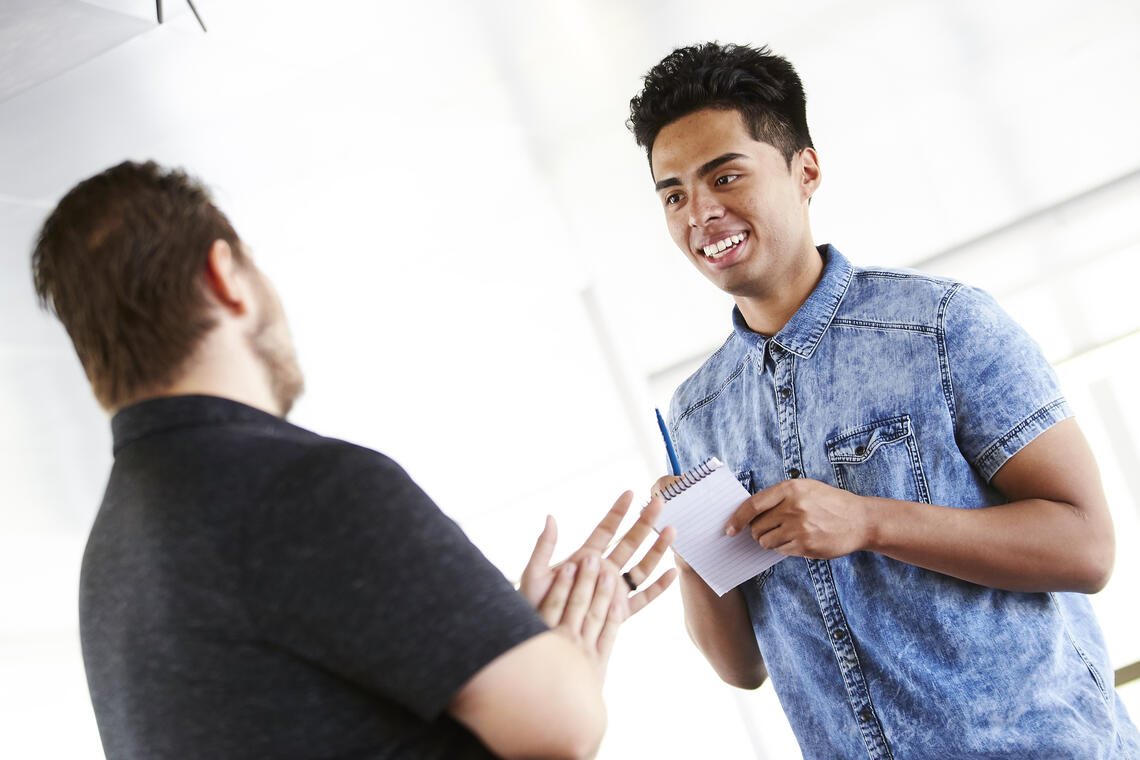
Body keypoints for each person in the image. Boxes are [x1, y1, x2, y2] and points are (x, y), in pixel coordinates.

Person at [31, 160, 677, 760]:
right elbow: (561, 724)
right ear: (224, 277)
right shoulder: (307, 488)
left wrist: (489, 636)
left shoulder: (108, 569)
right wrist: (562, 660)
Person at [628, 42, 1140, 758]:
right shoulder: (695, 414)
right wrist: (688, 550)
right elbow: (741, 668)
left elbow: (1087, 547)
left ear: (805, 170)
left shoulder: (942, 325)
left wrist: (868, 521)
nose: (701, 213)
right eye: (674, 194)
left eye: (726, 176)